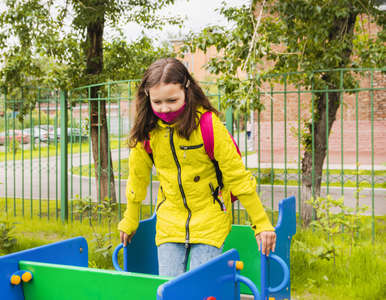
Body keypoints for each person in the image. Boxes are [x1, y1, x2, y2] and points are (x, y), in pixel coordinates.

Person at [118, 58, 276, 277]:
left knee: (198, 286)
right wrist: (131, 218)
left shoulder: (208, 125)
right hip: (169, 218)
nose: (164, 109)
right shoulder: (148, 131)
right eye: (157, 102)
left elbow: (237, 176)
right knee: (170, 288)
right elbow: (137, 178)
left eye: (172, 100)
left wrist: (261, 223)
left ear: (187, 90)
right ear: (148, 98)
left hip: (210, 216)